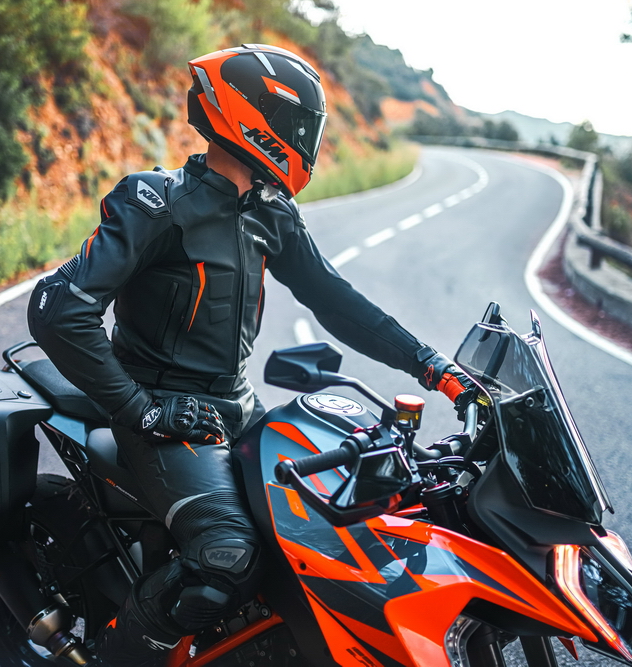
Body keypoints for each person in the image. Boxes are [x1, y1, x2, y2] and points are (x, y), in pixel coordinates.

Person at [27, 43, 470, 667]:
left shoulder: (271, 212)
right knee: (226, 557)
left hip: (235, 408)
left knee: (339, 525)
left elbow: (335, 301)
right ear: (253, 119)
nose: (306, 140)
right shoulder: (157, 203)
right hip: (160, 416)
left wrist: (432, 365)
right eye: (298, 125)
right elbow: (58, 308)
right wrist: (142, 410)